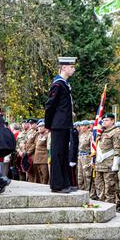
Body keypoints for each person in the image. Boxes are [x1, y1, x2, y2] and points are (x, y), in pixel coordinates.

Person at [44, 57, 77, 194]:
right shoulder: (58, 84)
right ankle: (57, 185)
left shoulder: (64, 84)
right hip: (58, 125)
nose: (73, 69)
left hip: (64, 124)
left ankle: (65, 183)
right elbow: (49, 105)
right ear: (64, 67)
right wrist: (48, 124)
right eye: (71, 67)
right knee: (57, 154)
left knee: (64, 154)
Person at [94, 113, 120, 207]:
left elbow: (118, 148)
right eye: (103, 120)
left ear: (113, 121)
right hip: (99, 165)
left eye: (107, 120)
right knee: (99, 187)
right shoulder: (102, 132)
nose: (104, 122)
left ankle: (109, 208)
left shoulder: (116, 132)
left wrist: (115, 164)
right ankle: (101, 206)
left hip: (109, 165)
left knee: (109, 189)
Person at [33, 120, 50, 185]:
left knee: (45, 176)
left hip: (44, 159)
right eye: (39, 126)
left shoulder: (47, 135)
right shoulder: (38, 135)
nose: (39, 128)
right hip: (37, 159)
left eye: (41, 126)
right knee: (40, 176)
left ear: (45, 127)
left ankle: (45, 187)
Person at [77, 120, 92, 191]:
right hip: (80, 156)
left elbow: (92, 148)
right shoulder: (80, 135)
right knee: (80, 175)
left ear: (87, 126)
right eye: (81, 126)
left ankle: (87, 191)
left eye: (83, 126)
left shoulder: (90, 135)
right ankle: (81, 190)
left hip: (87, 157)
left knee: (87, 175)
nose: (81, 127)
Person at [23, 118, 39, 183]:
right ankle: (29, 182)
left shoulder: (37, 132)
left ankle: (34, 184)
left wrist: (28, 152)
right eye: (30, 123)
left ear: (36, 124)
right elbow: (25, 142)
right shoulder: (29, 132)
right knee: (28, 170)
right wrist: (24, 151)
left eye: (32, 123)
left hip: (33, 154)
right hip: (27, 153)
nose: (31, 125)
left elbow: (35, 144)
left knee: (33, 171)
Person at [69, 122, 80, 189]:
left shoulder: (73, 131)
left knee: (73, 174)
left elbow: (73, 145)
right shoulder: (69, 131)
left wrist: (72, 158)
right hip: (69, 155)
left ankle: (73, 185)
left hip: (72, 156)